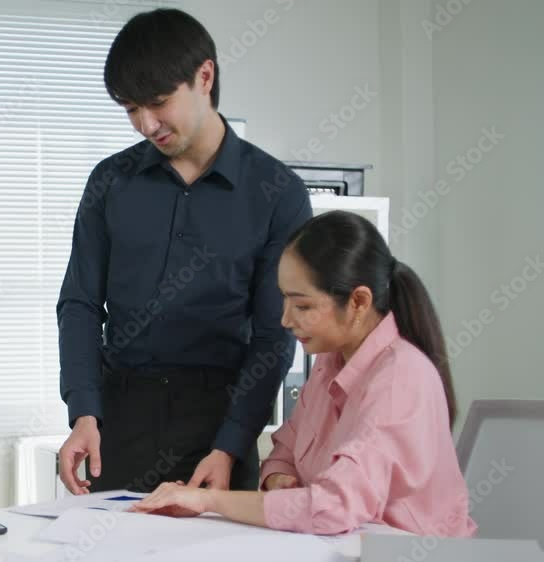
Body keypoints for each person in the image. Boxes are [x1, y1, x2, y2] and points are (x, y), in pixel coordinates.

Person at [57, 8, 312, 495]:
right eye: (131, 109)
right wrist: (84, 412)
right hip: (119, 426)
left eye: (158, 103)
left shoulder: (278, 193)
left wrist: (230, 446)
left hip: (220, 427)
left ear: (205, 76)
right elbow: (80, 303)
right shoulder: (110, 181)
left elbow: (274, 335)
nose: (145, 124)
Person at [129, 210, 478, 537]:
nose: (285, 319)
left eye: (303, 305)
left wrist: (209, 501)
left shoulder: (400, 379)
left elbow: (334, 507)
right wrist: (279, 479)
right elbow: (284, 452)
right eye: (284, 300)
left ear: (358, 302)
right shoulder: (330, 363)